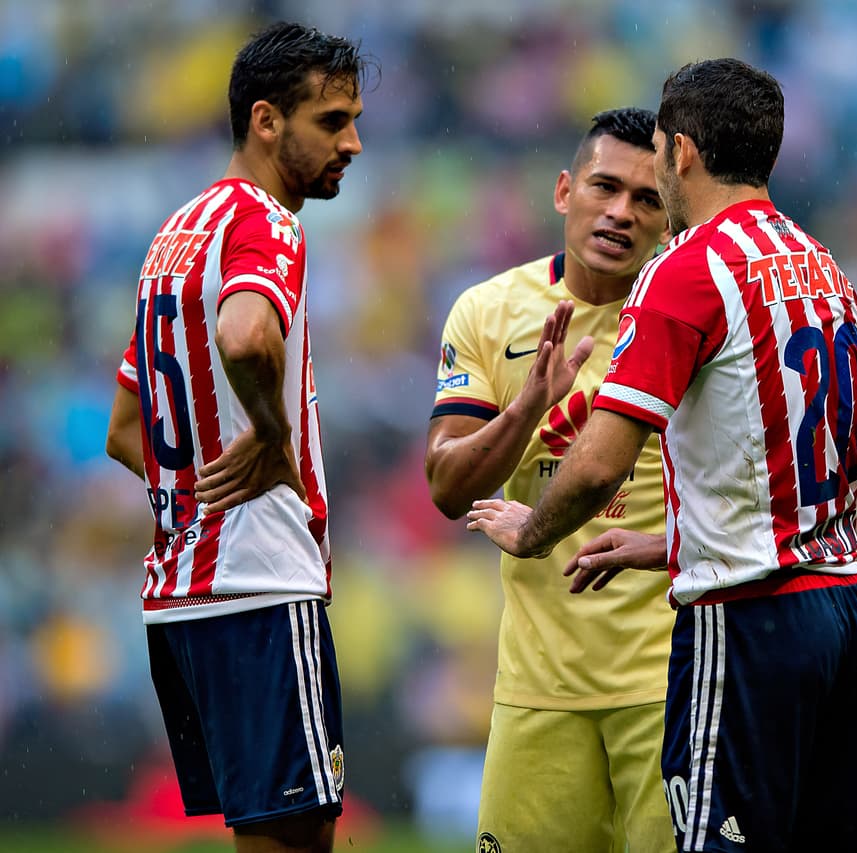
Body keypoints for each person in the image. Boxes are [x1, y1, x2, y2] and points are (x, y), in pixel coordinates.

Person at [467, 58, 857, 852]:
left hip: (747, 617)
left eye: (655, 155)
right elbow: (800, 466)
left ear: (681, 151)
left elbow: (595, 465)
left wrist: (533, 532)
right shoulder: (825, 269)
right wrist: (669, 541)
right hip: (841, 609)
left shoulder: (686, 269)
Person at [104, 22, 368, 853]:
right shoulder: (265, 223)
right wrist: (270, 433)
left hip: (181, 600)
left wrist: (197, 500)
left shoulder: (173, 237)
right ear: (265, 120)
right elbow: (248, 335)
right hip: (259, 588)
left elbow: (123, 431)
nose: (353, 143)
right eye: (332, 122)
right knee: (296, 842)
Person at [424, 108, 675, 853]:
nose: (622, 212)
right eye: (605, 186)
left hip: (668, 680)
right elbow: (446, 486)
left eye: (648, 198)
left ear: (669, 216)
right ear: (565, 191)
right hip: (538, 687)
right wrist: (525, 408)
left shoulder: (690, 311)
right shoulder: (487, 310)